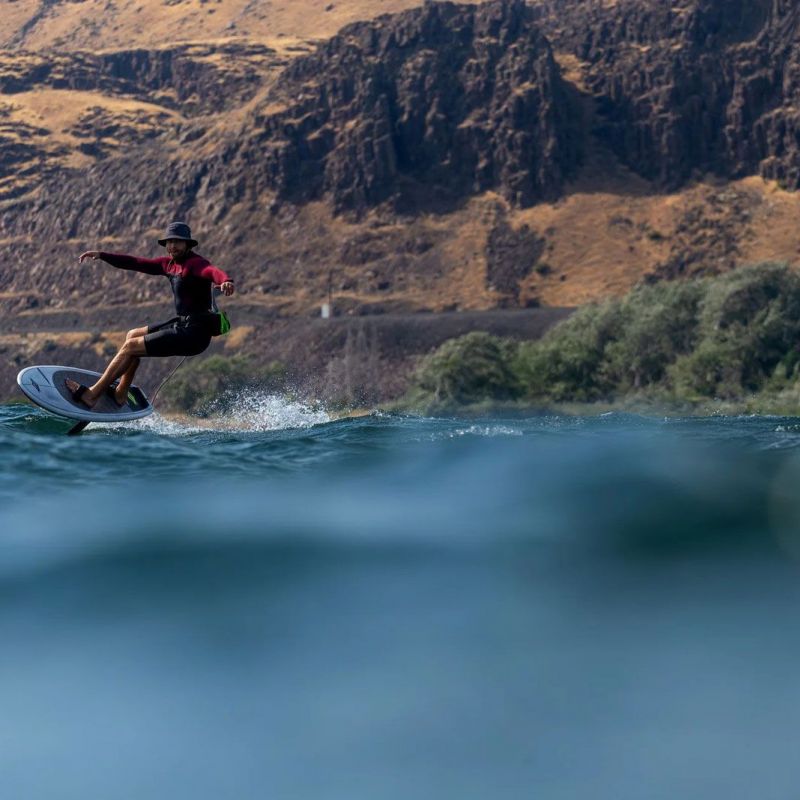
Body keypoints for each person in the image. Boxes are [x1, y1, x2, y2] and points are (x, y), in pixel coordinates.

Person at [66, 221, 235, 408]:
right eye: (169, 242)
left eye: (177, 242)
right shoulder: (168, 265)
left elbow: (212, 271)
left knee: (131, 347)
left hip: (195, 334)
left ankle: (91, 395)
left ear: (187, 244)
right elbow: (136, 263)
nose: (172, 246)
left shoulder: (196, 263)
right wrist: (102, 255)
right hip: (182, 323)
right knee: (132, 335)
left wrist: (225, 281)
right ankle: (121, 393)